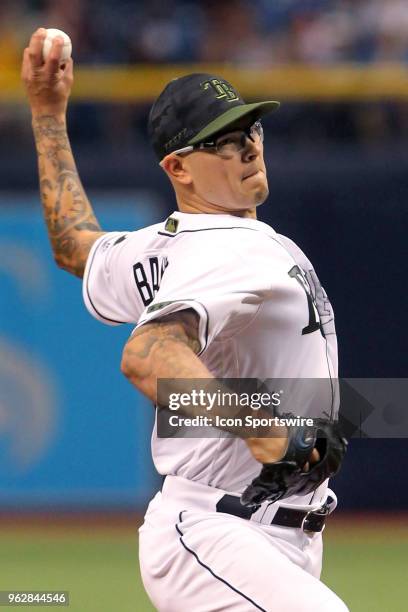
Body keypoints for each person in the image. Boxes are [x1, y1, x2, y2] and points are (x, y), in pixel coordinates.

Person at [22, 29, 348, 612]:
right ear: (178, 166)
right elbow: (147, 354)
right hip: (218, 531)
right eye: (222, 141)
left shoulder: (164, 247)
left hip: (259, 534)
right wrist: (263, 425)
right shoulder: (231, 246)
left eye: (251, 128)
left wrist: (48, 113)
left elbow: (75, 246)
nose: (248, 147)